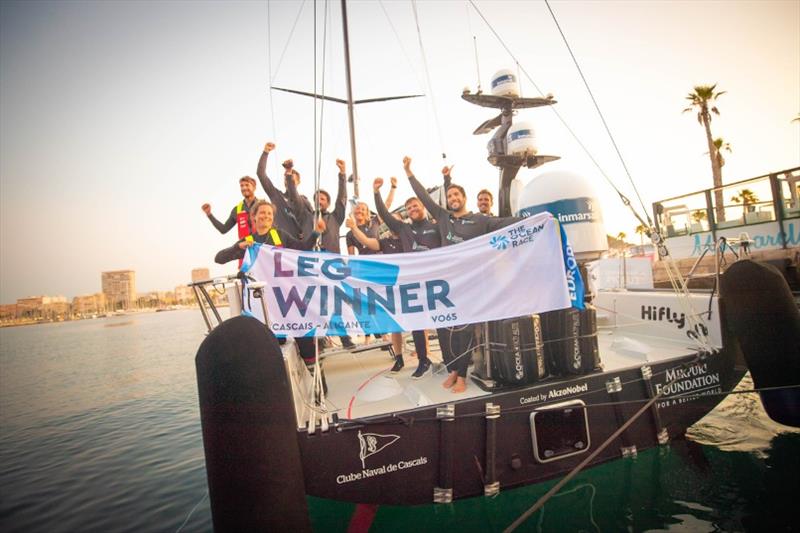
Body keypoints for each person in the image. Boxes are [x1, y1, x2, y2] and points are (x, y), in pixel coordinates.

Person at [403, 156, 522, 393]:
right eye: (450, 196)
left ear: (464, 198)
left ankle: (462, 377)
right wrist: (409, 173)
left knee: (466, 330)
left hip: (473, 283)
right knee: (451, 330)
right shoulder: (444, 218)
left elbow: (506, 223)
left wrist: (535, 218)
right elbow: (424, 197)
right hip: (449, 284)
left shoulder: (480, 220)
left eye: (457, 195)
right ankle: (456, 370)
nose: (453, 199)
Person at [214, 200, 327, 385]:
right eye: (262, 213)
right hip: (266, 307)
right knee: (276, 343)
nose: (266, 216)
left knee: (305, 340)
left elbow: (303, 248)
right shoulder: (248, 242)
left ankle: (319, 384)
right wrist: (238, 248)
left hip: (288, 299)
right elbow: (219, 258)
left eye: (269, 214)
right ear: (254, 217)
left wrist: (316, 232)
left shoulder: (280, 236)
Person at [256, 142, 311, 238]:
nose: (288, 181)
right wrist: (266, 152)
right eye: (286, 178)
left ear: (298, 182)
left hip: (300, 246)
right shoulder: (276, 195)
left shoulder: (304, 201)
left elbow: (311, 222)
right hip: (280, 245)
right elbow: (261, 174)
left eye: (292, 179)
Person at [202, 175, 259, 267]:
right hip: (245, 253)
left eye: (247, 185)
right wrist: (209, 214)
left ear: (254, 187)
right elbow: (223, 229)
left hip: (261, 249)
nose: (244, 188)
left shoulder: (263, 206)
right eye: (242, 186)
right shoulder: (237, 210)